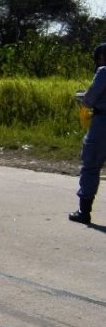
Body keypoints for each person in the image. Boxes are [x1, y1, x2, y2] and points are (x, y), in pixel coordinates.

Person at [69, 44, 106, 224]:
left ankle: (84, 211)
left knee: (91, 166)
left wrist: (83, 99)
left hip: (102, 124)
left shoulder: (103, 72)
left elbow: (90, 99)